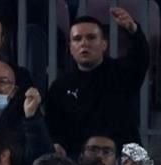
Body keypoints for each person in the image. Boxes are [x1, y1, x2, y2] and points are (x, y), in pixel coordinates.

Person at [45, 11, 149, 157]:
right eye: (77, 39)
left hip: (124, 163)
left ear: (104, 44)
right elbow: (53, 127)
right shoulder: (60, 87)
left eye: (91, 37)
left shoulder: (122, 73)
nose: (84, 43)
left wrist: (134, 31)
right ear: (70, 48)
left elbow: (140, 58)